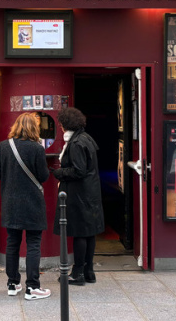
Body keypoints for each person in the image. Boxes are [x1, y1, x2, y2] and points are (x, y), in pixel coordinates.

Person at [0, 112, 50, 300]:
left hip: (11, 203)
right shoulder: (37, 149)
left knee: (12, 243)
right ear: (34, 128)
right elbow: (43, 176)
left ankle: (12, 283)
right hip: (32, 203)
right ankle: (32, 287)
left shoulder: (3, 146)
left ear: (16, 126)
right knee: (33, 243)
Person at [51, 107, 104, 286]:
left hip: (79, 194)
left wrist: (59, 172)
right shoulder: (86, 138)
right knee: (89, 233)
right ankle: (89, 271)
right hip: (90, 193)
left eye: (60, 122)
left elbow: (78, 170)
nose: (59, 125)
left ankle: (78, 273)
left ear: (65, 124)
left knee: (80, 233)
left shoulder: (75, 143)